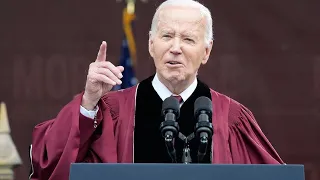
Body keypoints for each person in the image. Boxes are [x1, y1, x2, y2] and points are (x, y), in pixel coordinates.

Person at [29, 0, 284, 179]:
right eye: (166, 36)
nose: (175, 47)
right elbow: (52, 165)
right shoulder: (110, 112)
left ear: (206, 52)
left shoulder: (232, 119)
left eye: (188, 39)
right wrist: (88, 102)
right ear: (151, 45)